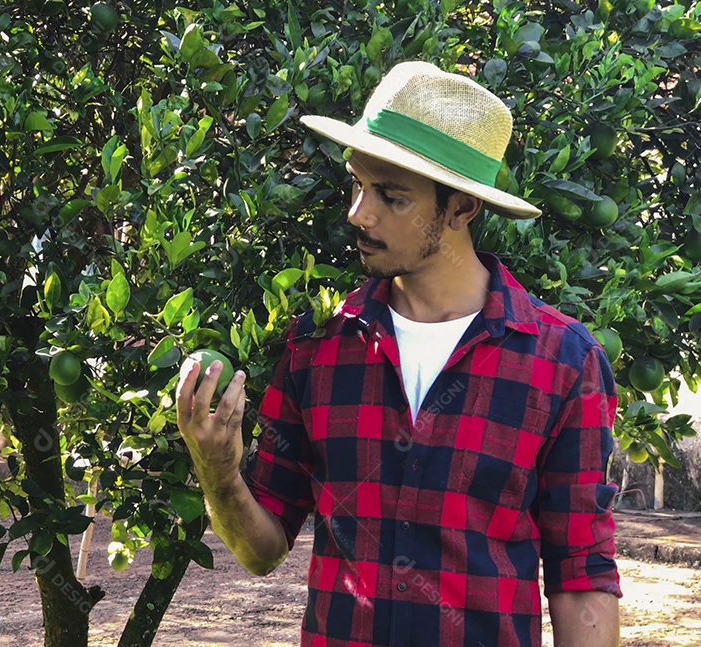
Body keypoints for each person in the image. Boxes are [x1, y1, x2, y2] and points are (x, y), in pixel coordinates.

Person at [176, 61, 621, 647]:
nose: (359, 213)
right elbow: (261, 551)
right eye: (357, 184)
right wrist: (217, 472)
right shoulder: (316, 346)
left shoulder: (562, 361)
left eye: (391, 196)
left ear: (462, 208)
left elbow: (581, 573)